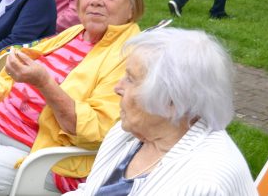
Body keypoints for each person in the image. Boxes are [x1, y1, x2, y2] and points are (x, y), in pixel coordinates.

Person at [0, 0, 144, 195]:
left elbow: (97, 131)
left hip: (43, 151)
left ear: (131, 8)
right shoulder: (75, 33)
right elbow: (16, 67)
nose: (96, 0)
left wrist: (44, 83)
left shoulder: (128, 56)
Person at [65, 28, 256, 195]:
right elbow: (92, 191)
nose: (117, 87)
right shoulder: (131, 134)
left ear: (171, 102)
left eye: (130, 79)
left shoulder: (201, 183)